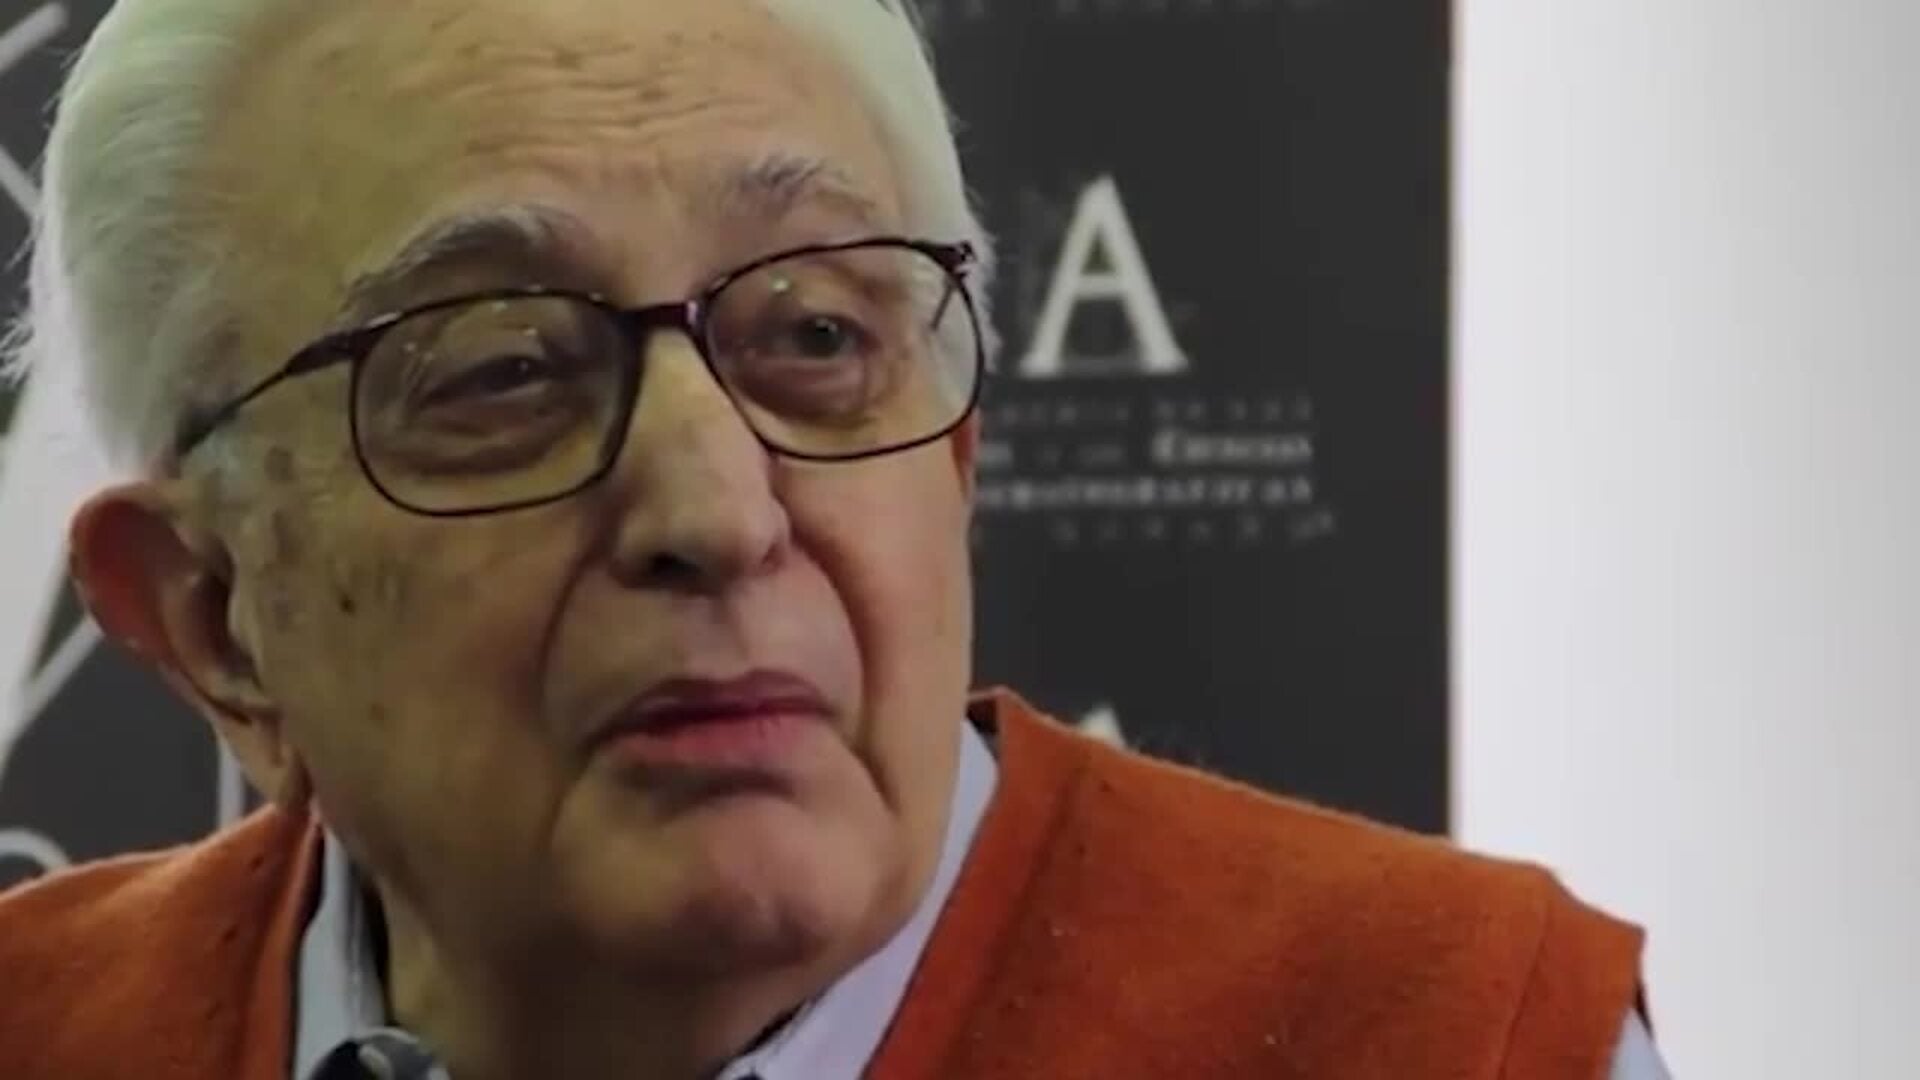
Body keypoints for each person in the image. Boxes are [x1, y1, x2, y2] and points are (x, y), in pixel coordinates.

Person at [0, 0, 1667, 1077]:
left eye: (815, 337)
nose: (719, 513)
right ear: (213, 613)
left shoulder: (1454, 1031)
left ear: (953, 451)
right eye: (502, 371)